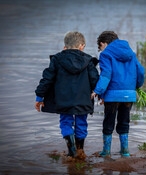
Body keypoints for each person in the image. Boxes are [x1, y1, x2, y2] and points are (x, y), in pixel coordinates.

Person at [34, 31, 99, 160]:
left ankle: (71, 151)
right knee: (82, 123)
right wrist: (100, 94)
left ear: (65, 46)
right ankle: (80, 151)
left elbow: (47, 79)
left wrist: (39, 96)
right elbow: (95, 80)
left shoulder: (57, 59)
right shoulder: (88, 60)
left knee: (65, 122)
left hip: (63, 99)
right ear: (82, 45)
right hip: (83, 99)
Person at [91, 31, 145, 157]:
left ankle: (106, 152)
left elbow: (106, 75)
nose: (100, 51)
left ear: (103, 43)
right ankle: (125, 152)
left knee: (108, 122)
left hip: (112, 95)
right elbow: (141, 71)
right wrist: (136, 86)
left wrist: (97, 91)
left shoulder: (106, 54)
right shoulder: (131, 53)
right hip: (129, 94)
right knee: (124, 121)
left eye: (100, 47)